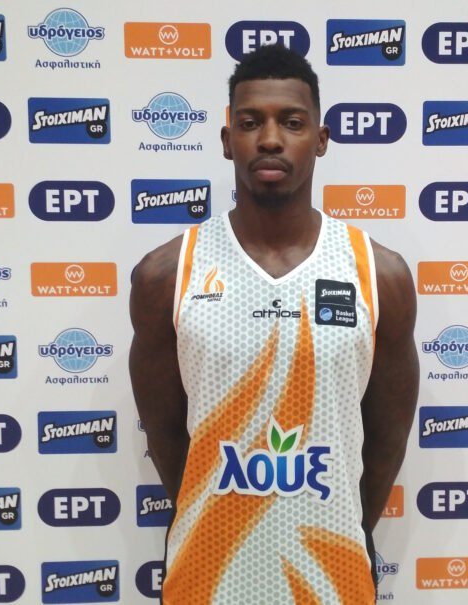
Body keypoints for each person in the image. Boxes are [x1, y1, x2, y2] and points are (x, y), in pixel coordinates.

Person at [129, 44, 418, 605]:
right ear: (225, 140)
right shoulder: (168, 274)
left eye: (291, 122)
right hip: (206, 577)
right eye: (249, 122)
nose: (269, 139)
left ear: (321, 139)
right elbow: (166, 438)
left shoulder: (378, 275)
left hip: (331, 579)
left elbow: (387, 438)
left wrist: (344, 528)